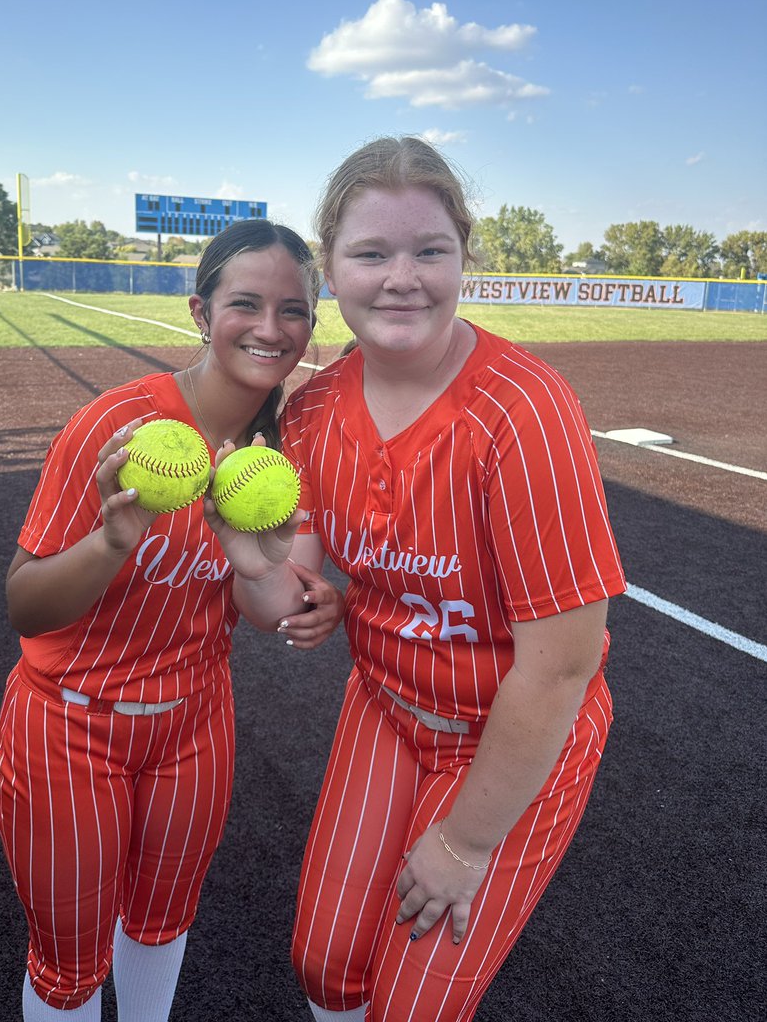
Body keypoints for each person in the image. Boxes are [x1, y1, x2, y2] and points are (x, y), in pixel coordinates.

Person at [208, 138, 627, 1022]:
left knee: (414, 1008)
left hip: (510, 729)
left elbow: (560, 667)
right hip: (387, 706)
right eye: (371, 253)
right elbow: (287, 603)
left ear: (463, 256)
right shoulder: (313, 410)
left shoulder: (524, 409)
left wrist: (466, 843)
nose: (402, 278)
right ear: (331, 269)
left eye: (429, 250)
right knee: (324, 965)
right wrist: (258, 567)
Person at [0, 220, 343, 1021]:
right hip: (71, 726)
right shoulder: (121, 426)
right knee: (69, 965)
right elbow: (24, 604)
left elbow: (271, 613)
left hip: (194, 724)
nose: (270, 328)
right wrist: (113, 542)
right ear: (200, 311)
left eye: (293, 310)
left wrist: (270, 571)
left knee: (161, 923)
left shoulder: (283, 452)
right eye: (245, 303)